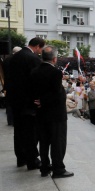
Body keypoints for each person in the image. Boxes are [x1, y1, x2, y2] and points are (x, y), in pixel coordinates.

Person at [31, 45, 73, 179]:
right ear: (54, 59)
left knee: (43, 142)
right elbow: (55, 93)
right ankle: (58, 168)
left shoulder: (34, 71)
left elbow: (32, 91)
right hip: (56, 114)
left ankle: (44, 167)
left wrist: (39, 101)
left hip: (41, 113)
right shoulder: (55, 72)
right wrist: (44, 100)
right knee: (57, 142)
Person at [5, 37, 45, 169]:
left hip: (15, 101)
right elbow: (37, 81)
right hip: (29, 102)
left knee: (19, 130)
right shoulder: (32, 59)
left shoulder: (13, 58)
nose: (40, 52)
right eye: (41, 49)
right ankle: (32, 160)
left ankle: (21, 158)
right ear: (38, 46)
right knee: (30, 131)